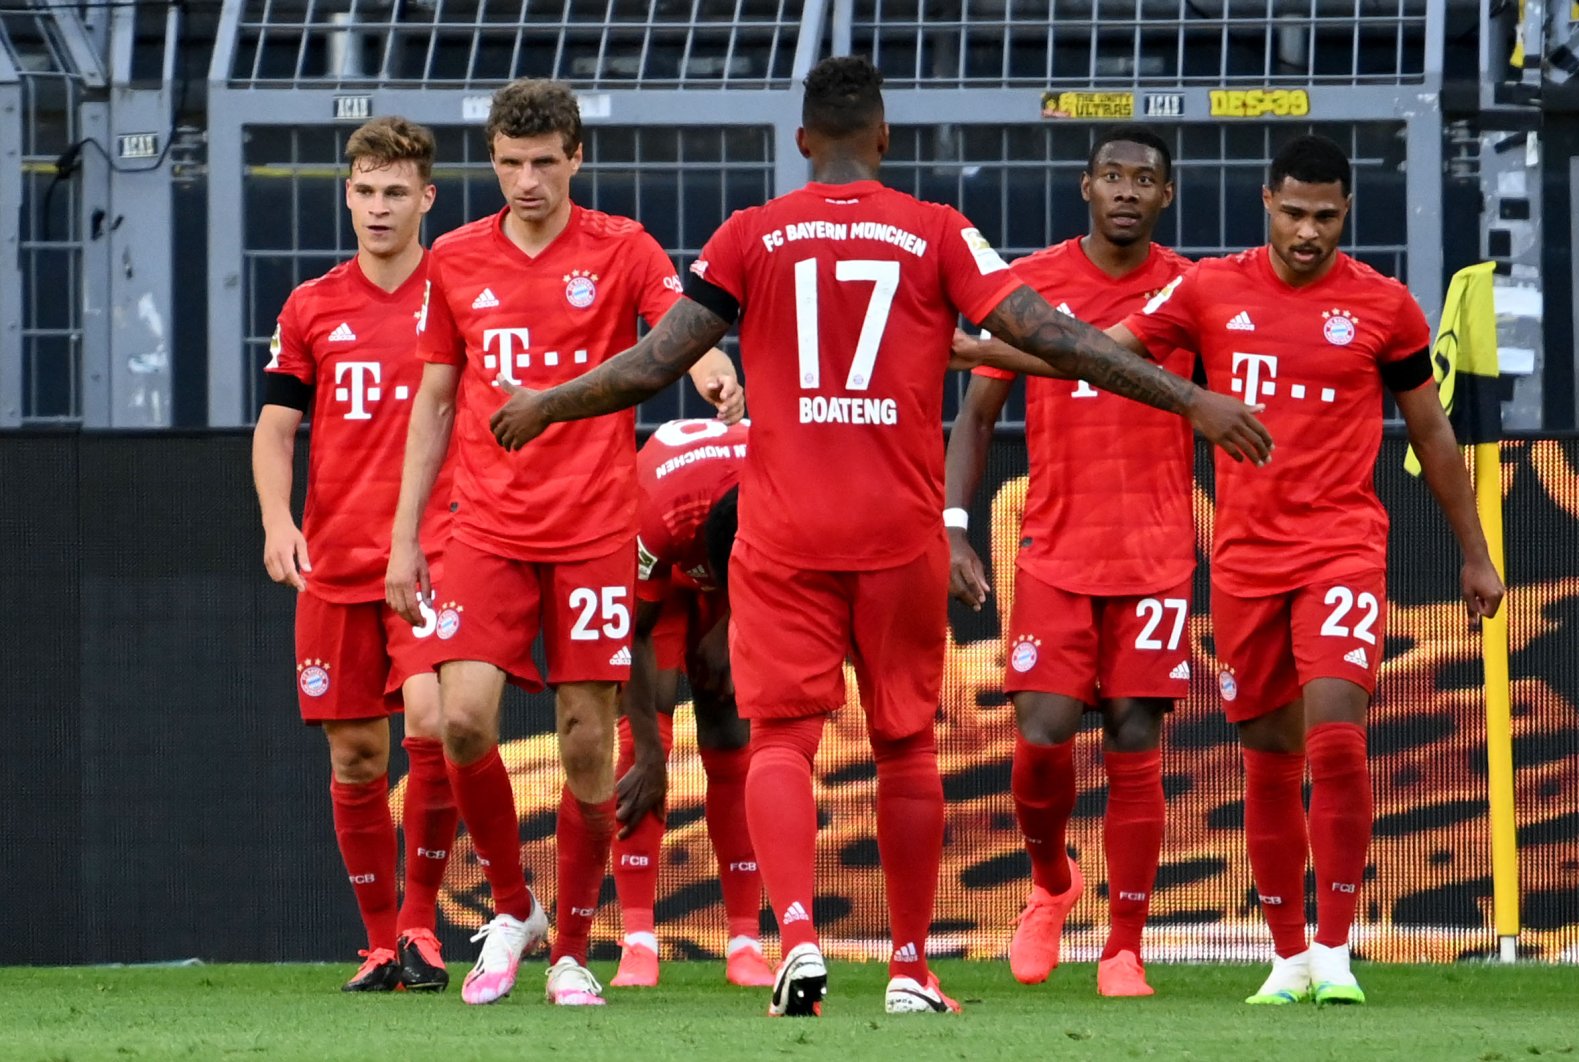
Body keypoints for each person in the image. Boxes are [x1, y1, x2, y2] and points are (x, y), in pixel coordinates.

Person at [482, 56, 1271, 1018]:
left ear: (803, 140)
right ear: (886, 139)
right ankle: (907, 968)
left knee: (778, 739)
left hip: (782, 532)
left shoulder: (749, 235)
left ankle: (800, 941)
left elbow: (655, 363)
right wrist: (1189, 396)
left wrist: (547, 403)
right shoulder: (936, 231)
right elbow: (1054, 339)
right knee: (903, 749)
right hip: (900, 534)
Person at [1040, 134, 1502, 1005]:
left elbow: (1433, 433)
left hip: (1342, 547)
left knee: (1335, 734)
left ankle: (1335, 946)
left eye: (1325, 217)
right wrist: (967, 350)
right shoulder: (1213, 288)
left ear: (1347, 216)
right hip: (1246, 562)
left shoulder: (1385, 307)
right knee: (1268, 757)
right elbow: (1099, 351)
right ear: (1266, 203)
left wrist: (1474, 553)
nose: (1308, 232)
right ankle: (1287, 956)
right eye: (1294, 212)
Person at [383, 79, 744, 1007]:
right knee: (460, 720)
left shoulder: (623, 248)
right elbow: (432, 403)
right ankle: (515, 907)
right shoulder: (457, 258)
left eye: (545, 162)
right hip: (485, 528)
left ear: (576, 159)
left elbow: (683, 328)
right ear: (493, 161)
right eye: (510, 163)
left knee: (590, 742)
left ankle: (574, 947)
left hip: (592, 530)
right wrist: (403, 540)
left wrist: (711, 365)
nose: (528, 181)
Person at [944, 125, 1193, 997]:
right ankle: (1052, 883)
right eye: (1113, 176)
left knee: (1135, 739)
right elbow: (977, 413)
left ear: (1167, 197)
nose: (1127, 191)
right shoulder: (1034, 283)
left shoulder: (1190, 291)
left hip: (1157, 556)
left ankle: (1124, 946)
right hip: (1053, 551)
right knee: (1042, 739)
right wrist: (953, 524)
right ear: (1085, 187)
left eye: (1145, 180)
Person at [251, 116, 459, 993]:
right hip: (334, 560)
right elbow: (275, 430)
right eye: (365, 190)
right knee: (357, 759)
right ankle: (381, 943)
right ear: (348, 193)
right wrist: (275, 520)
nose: (378, 208)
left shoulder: (456, 294)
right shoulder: (311, 305)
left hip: (435, 551)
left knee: (436, 726)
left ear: (427, 198)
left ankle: (423, 925)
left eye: (395, 191)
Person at [609, 417, 770, 990]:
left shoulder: (783, 485)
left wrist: (731, 622)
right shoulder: (656, 509)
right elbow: (630, 632)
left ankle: (746, 942)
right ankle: (638, 941)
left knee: (732, 733)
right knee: (640, 740)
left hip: (742, 578)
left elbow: (783, 578)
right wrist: (652, 757)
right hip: (664, 579)